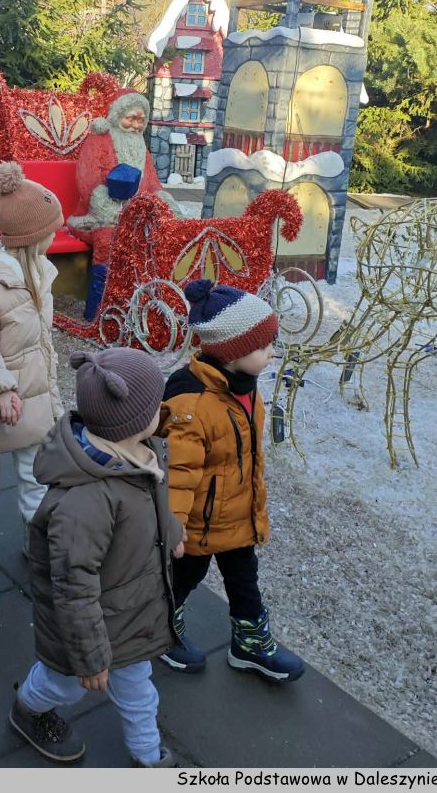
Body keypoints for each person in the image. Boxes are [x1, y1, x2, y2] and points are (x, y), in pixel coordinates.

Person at [9, 348, 182, 768]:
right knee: (65, 685)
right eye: (155, 405)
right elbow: (74, 584)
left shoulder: (138, 453)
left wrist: (173, 532)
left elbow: (151, 505)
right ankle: (28, 707)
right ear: (133, 421)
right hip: (88, 623)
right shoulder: (85, 501)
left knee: (138, 688)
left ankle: (148, 756)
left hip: (127, 611)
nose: (161, 410)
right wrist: (89, 657)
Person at [157, 278, 305, 683]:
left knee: (244, 579)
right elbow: (179, 473)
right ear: (234, 351)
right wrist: (173, 524)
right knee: (183, 578)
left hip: (236, 513)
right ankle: (160, 627)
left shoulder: (245, 388)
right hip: (197, 523)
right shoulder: (191, 402)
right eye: (263, 345)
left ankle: (249, 643)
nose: (272, 352)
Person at [0, 161, 65, 555]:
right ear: (32, 237)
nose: (56, 235)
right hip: (10, 396)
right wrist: (3, 387)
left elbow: (40, 337)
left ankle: (36, 543)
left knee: (36, 473)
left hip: (38, 392)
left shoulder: (42, 272)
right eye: (51, 230)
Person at [67, 90, 181, 319]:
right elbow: (88, 183)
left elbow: (153, 184)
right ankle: (97, 311)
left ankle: (140, 303)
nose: (135, 126)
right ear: (118, 115)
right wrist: (113, 209)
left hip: (136, 215)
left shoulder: (141, 147)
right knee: (110, 238)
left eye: (140, 121)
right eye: (130, 118)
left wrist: (166, 203)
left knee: (160, 235)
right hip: (98, 215)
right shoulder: (99, 140)